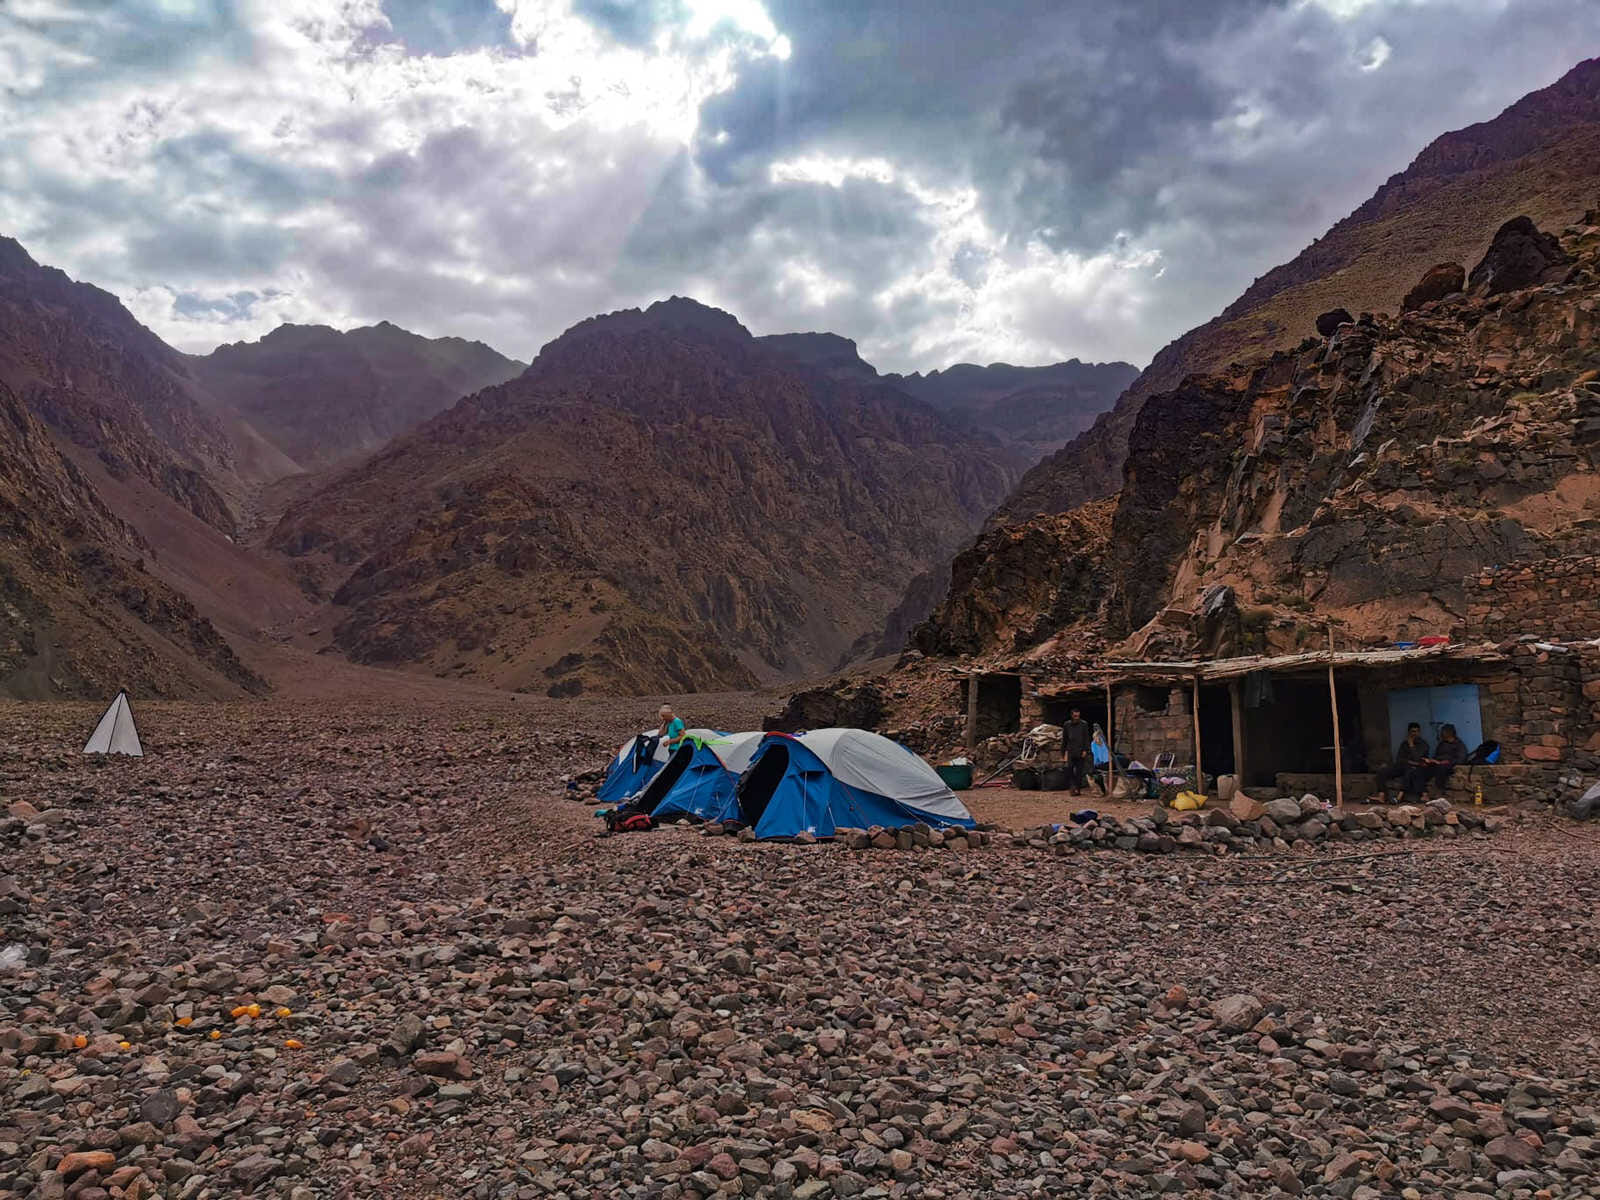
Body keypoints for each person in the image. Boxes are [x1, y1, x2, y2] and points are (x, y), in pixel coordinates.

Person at [1373, 722, 1430, 802]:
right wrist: (1408, 760)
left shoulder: (1423, 744)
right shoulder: (1404, 744)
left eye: (1416, 731)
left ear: (1419, 732)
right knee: (1382, 771)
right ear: (1409, 732)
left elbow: (1417, 758)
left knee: (1410, 771)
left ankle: (1399, 798)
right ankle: (1381, 796)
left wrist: (1411, 745)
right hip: (1402, 766)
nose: (1414, 734)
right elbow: (1400, 759)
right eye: (1412, 731)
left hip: (1414, 767)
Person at [1421, 723, 1467, 798]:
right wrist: (1431, 760)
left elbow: (1461, 758)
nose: (1441, 734)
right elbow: (1436, 756)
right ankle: (1424, 793)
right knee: (1422, 769)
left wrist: (1447, 762)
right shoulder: (1442, 744)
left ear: (1449, 733)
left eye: (1443, 732)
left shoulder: (1458, 744)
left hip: (1448, 765)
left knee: (1441, 768)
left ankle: (1439, 790)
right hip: (1437, 763)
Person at [1061, 708, 1092, 796]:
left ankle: (1077, 789)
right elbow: (1064, 739)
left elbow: (1086, 738)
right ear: (1071, 715)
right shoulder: (1067, 725)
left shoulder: (1084, 724)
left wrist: (1086, 750)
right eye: (1075, 716)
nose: (1076, 718)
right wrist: (1063, 753)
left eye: (1078, 716)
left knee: (1079, 771)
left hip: (1080, 750)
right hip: (1070, 751)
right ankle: (1072, 787)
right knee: (1069, 769)